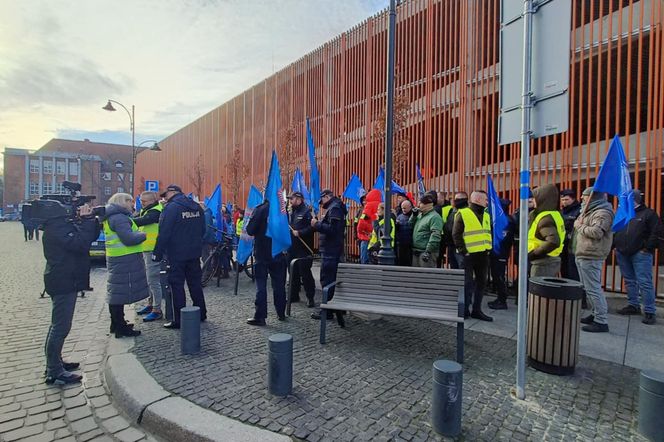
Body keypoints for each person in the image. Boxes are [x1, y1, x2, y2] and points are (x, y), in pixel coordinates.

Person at [42, 203, 99, 385]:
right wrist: (87, 221)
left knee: (59, 326)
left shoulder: (59, 226)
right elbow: (81, 244)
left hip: (65, 278)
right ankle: (54, 370)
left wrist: (89, 220)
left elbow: (88, 237)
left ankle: (56, 362)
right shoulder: (57, 228)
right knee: (60, 326)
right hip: (63, 280)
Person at [153, 185, 208, 329]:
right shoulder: (196, 207)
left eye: (165, 195)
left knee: (176, 286)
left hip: (176, 253)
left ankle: (179, 319)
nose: (164, 199)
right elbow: (203, 229)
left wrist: (157, 253)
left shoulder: (171, 208)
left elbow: (164, 232)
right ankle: (201, 313)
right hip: (194, 252)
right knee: (195, 284)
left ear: (173, 192)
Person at [102, 193, 149, 338]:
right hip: (125, 258)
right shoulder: (120, 218)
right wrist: (143, 234)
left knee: (116, 291)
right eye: (130, 201)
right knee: (119, 293)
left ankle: (116, 323)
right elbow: (128, 238)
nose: (132, 204)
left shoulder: (111, 216)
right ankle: (120, 327)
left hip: (118, 258)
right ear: (123, 201)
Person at [614, 190, 661, 325]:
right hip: (622, 252)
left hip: (640, 253)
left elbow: (656, 232)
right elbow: (616, 229)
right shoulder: (623, 213)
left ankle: (650, 311)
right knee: (629, 280)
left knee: (644, 282)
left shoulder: (649, 214)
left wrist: (647, 248)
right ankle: (633, 305)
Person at [573, 187, 614, 333]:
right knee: (588, 287)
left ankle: (601, 320)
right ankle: (595, 314)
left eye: (585, 197)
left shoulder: (602, 213)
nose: (583, 199)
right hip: (583, 253)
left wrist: (580, 226)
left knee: (593, 288)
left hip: (591, 254)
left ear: (593, 198)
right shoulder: (588, 211)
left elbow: (597, 232)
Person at [245, 199, 287, 325]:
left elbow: (250, 230)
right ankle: (281, 313)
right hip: (277, 252)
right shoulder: (282, 210)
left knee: (261, 286)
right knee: (279, 285)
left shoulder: (260, 209)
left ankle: (260, 316)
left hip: (262, 253)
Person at [453, 190, 493, 321]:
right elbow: (456, 234)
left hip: (483, 254)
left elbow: (487, 233)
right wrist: (464, 251)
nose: (487, 202)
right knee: (467, 283)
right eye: (485, 199)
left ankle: (477, 310)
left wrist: (488, 249)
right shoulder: (463, 213)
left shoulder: (486, 215)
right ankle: (464, 310)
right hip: (468, 256)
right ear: (477, 199)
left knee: (481, 283)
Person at [311, 189, 347, 326]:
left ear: (327, 197)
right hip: (331, 250)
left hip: (331, 251)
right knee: (329, 279)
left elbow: (333, 230)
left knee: (327, 280)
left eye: (322, 201)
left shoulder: (335, 208)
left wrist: (317, 224)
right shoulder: (335, 208)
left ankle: (328, 311)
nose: (322, 204)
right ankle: (333, 309)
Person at [131, 191, 166, 322]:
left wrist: (124, 221)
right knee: (149, 280)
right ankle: (151, 304)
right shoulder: (147, 210)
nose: (141, 202)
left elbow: (140, 221)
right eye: (141, 200)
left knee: (153, 280)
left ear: (152, 200)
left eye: (144, 201)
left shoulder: (155, 211)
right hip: (146, 249)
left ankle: (157, 309)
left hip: (153, 250)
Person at [528, 184, 566, 276]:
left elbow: (553, 241)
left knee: (538, 289)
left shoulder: (545, 218)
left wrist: (534, 253)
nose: (532, 200)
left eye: (535, 198)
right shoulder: (554, 214)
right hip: (551, 259)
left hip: (543, 262)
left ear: (542, 199)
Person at [287, 192, 316, 307]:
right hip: (293, 248)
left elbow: (312, 228)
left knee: (305, 274)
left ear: (299, 199)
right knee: (293, 273)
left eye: (292, 199)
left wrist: (300, 232)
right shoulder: (291, 212)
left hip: (304, 248)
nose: (290, 201)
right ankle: (294, 295)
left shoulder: (306, 212)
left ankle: (310, 297)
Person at [487, 199, 516, 310]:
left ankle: (502, 300)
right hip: (497, 253)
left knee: (499, 277)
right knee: (496, 276)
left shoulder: (506, 221)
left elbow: (504, 239)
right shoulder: (502, 220)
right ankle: (500, 298)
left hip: (500, 253)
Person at [410, 193, 442, 268]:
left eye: (420, 203)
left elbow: (435, 235)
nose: (418, 205)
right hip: (416, 251)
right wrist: (413, 216)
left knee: (427, 276)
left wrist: (428, 251)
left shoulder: (435, 217)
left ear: (427, 205)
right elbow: (410, 225)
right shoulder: (420, 215)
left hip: (426, 252)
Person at [560, 189, 581, 280]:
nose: (564, 202)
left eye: (566, 199)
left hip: (573, 244)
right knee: (564, 269)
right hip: (563, 244)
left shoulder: (579, 211)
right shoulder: (562, 212)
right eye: (562, 200)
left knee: (573, 271)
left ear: (573, 199)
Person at [443, 192, 468, 268]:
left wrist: (461, 247)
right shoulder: (452, 210)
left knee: (462, 268)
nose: (455, 201)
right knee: (454, 268)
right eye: (455, 199)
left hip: (461, 246)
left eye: (458, 199)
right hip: (451, 245)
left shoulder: (467, 212)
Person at [357, 189, 381, 264]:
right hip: (376, 236)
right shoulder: (381, 205)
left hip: (366, 235)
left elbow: (362, 220)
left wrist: (360, 231)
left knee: (365, 259)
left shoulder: (369, 205)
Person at [395, 199, 414, 266]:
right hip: (401, 243)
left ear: (410, 207)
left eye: (405, 208)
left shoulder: (414, 216)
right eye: (402, 208)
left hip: (410, 244)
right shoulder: (399, 216)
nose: (403, 209)